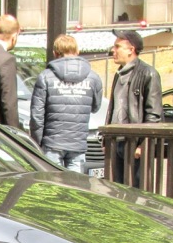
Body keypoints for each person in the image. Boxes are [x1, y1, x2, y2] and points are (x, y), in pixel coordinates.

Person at [28, 34, 103, 174]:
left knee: (52, 186)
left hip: (52, 141)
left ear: (55, 53)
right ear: (78, 51)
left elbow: (37, 114)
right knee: (75, 186)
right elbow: (95, 107)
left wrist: (36, 141)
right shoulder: (93, 77)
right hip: (78, 142)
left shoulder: (46, 76)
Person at [105, 28, 162, 186]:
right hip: (116, 141)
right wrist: (106, 140)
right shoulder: (119, 74)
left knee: (136, 191)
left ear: (131, 50)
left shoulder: (148, 74)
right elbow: (114, 108)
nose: (113, 50)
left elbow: (154, 114)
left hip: (134, 143)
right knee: (116, 190)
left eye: (117, 47)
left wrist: (143, 145)